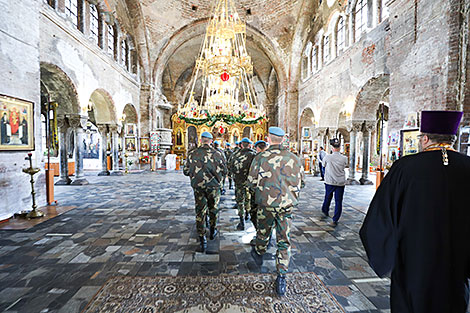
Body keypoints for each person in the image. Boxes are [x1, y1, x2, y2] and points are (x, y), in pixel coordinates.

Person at [360, 110, 470, 313]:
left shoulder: (405, 167)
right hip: (457, 260)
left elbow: (380, 218)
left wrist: (386, 256)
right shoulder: (467, 166)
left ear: (426, 139)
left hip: (413, 260)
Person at [248, 127, 305, 296]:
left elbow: (251, 183)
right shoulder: (294, 158)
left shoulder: (260, 157)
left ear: (268, 138)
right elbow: (302, 183)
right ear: (282, 139)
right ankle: (281, 276)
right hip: (286, 206)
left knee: (263, 232)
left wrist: (261, 192)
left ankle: (259, 252)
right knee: (284, 240)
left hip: (266, 206)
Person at [183, 132, 227, 252]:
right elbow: (225, 170)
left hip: (198, 187)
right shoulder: (218, 154)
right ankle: (212, 229)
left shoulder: (192, 153)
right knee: (214, 208)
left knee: (200, 211)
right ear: (211, 141)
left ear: (202, 140)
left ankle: (202, 237)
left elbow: (186, 171)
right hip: (214, 187)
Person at [229, 137, 256, 230]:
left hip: (238, 182)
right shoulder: (254, 155)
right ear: (249, 145)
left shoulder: (234, 155)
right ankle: (248, 214)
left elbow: (230, 167)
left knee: (240, 201)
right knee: (248, 199)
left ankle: (241, 221)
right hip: (250, 182)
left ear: (241, 145)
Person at [321, 138, 348, 227]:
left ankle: (325, 210)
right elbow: (345, 166)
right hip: (340, 182)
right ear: (340, 148)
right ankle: (335, 218)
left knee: (328, 197)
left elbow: (323, 165)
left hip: (330, 181)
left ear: (332, 148)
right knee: (338, 201)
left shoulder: (328, 157)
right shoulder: (344, 158)